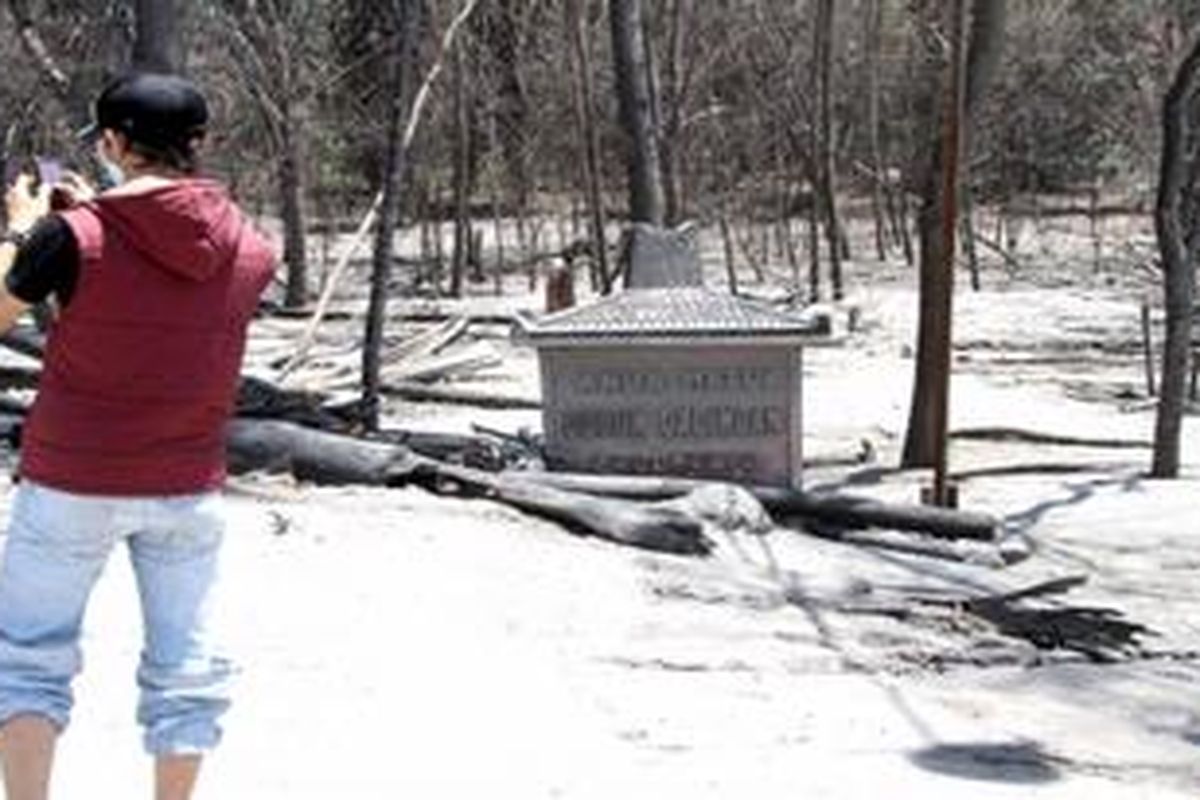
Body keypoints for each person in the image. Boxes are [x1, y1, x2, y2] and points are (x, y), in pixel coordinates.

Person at [0, 72, 276, 800]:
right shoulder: (254, 247)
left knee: (28, 659)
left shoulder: (68, 236)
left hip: (67, 480)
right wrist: (93, 223)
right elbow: (165, 266)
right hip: (187, 483)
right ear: (201, 144)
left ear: (115, 145)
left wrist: (25, 232)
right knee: (187, 665)